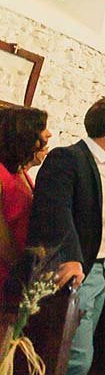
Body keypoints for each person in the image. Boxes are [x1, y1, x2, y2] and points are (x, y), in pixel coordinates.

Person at [28, 97, 105, 375]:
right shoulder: (69, 158)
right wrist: (70, 256)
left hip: (101, 269)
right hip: (79, 269)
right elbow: (54, 210)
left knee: (78, 358)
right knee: (74, 359)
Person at [0, 106, 51, 294]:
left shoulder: (21, 173)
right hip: (8, 270)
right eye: (43, 129)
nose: (49, 134)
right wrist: (21, 269)